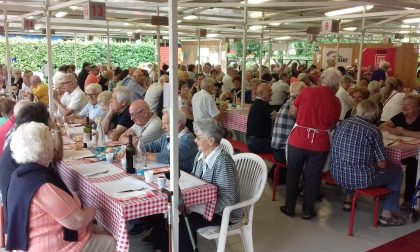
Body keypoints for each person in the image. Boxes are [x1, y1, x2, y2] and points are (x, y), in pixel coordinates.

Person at [6, 121, 116, 251]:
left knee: (101, 230)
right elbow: (78, 221)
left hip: (30, 241)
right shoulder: (43, 184)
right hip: (52, 246)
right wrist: (94, 210)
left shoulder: (19, 175)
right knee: (112, 241)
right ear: (47, 148)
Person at [155, 118, 242, 252]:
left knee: (182, 222)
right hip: (204, 206)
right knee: (169, 214)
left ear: (211, 141)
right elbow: (196, 183)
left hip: (223, 213)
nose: (195, 140)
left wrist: (198, 208)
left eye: (198, 137)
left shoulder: (223, 162)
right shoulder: (200, 155)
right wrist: (192, 205)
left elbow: (227, 201)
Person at [331, 100, 405, 226]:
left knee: (351, 162)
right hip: (360, 179)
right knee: (397, 171)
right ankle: (386, 216)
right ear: (373, 114)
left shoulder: (341, 124)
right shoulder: (373, 130)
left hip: (337, 174)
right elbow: (382, 164)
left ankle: (348, 200)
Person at [281, 69, 341, 220]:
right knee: (313, 178)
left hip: (298, 139)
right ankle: (308, 211)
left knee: (293, 174)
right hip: (319, 143)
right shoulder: (335, 101)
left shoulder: (307, 91)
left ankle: (289, 207)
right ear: (336, 85)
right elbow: (333, 125)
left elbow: (292, 112)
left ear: (321, 79)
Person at [0, 102, 63, 230]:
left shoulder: (18, 132)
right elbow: (57, 156)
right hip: (24, 214)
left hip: (13, 200)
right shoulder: (32, 139)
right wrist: (57, 131)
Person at [380, 94, 420, 210]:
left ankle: (408, 199)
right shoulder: (401, 116)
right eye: (404, 104)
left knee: (413, 165)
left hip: (416, 154)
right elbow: (383, 125)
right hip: (401, 150)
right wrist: (393, 130)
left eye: (408, 105)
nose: (404, 107)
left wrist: (404, 131)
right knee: (385, 159)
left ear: (418, 108)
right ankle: (383, 191)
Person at [144, 109, 197, 173]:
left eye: (166, 123)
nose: (163, 127)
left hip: (183, 178)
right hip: (167, 173)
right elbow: (153, 146)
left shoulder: (189, 140)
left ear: (178, 124)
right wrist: (137, 147)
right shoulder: (167, 135)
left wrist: (144, 155)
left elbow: (168, 157)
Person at [272, 81, 306, 165]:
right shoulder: (296, 106)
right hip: (284, 153)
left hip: (276, 149)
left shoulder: (286, 103)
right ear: (302, 93)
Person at [246, 83, 274, 153]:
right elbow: (277, 118)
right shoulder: (263, 105)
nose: (272, 93)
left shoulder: (256, 102)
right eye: (269, 91)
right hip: (258, 143)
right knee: (283, 149)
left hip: (251, 141)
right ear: (261, 93)